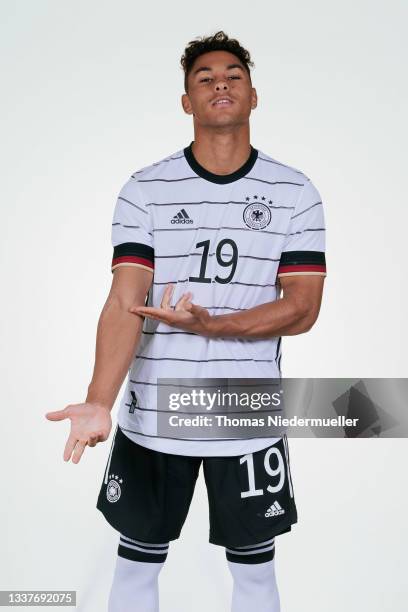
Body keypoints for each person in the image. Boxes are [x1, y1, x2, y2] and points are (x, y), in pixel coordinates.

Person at [46, 30, 327, 612]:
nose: (220, 83)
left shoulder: (295, 192)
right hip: (153, 415)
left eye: (233, 75)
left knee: (254, 575)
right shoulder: (144, 189)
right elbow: (125, 299)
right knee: (136, 565)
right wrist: (99, 399)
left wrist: (214, 326)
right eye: (205, 77)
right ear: (187, 102)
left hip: (245, 416)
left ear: (253, 97)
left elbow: (302, 307)